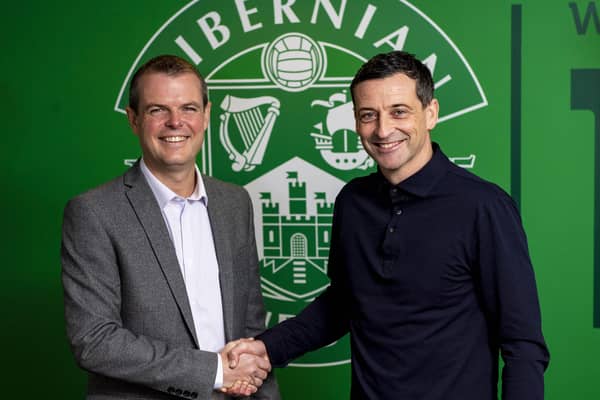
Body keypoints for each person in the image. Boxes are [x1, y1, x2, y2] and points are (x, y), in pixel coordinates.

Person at [227, 51, 550, 399]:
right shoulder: (352, 201)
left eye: (399, 112)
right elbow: (344, 304)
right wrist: (266, 349)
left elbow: (523, 345)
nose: (383, 130)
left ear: (431, 114)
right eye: (369, 115)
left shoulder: (484, 206)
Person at [61, 54, 279, 399]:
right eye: (157, 110)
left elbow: (251, 327)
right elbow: (95, 340)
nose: (175, 122)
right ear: (133, 120)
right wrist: (215, 371)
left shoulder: (235, 203)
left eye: (189, 108)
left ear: (207, 115)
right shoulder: (93, 212)